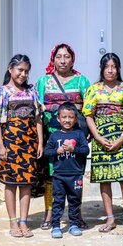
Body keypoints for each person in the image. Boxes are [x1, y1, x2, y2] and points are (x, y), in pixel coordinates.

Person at [35, 43, 91, 230]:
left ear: (72, 59)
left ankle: (77, 215)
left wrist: (88, 131)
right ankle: (49, 213)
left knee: (76, 174)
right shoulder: (44, 81)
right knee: (51, 175)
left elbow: (90, 108)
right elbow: (38, 110)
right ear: (53, 59)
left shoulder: (82, 80)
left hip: (76, 136)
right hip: (51, 135)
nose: (63, 60)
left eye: (67, 56)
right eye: (59, 56)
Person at [82, 53, 123, 233]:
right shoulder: (93, 90)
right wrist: (98, 138)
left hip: (121, 139)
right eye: (107, 67)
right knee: (104, 179)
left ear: (118, 69)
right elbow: (88, 115)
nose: (110, 70)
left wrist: (122, 137)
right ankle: (110, 219)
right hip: (102, 140)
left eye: (114, 67)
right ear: (102, 69)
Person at [0, 54, 44, 238]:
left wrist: (40, 142)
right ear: (10, 69)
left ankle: (24, 222)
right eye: (20, 70)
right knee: (11, 184)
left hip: (29, 144)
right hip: (10, 144)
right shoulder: (1, 92)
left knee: (26, 184)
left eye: (26, 71)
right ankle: (13, 223)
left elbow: (38, 119)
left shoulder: (32, 91)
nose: (23, 74)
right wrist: (0, 146)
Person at [44, 102, 89, 239]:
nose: (67, 120)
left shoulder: (79, 134)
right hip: (59, 175)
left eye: (70, 117)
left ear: (75, 119)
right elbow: (47, 151)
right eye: (64, 117)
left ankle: (74, 224)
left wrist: (73, 149)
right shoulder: (55, 136)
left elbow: (86, 150)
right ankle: (56, 225)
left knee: (74, 200)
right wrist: (56, 151)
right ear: (58, 119)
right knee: (58, 200)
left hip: (75, 175)